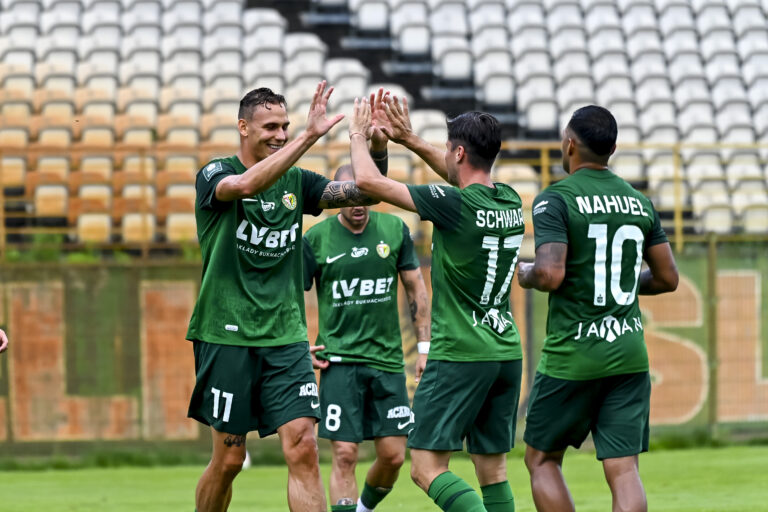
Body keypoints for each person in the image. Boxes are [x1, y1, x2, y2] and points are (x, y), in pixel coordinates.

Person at [186, 82, 388, 512]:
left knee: (304, 447)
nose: (280, 133)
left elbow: (365, 193)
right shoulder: (213, 173)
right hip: (226, 336)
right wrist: (308, 136)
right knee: (228, 460)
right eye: (271, 126)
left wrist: (372, 146)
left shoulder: (299, 182)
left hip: (286, 338)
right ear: (243, 127)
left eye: (286, 126)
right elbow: (240, 187)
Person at [349, 95, 525, 512]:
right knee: (493, 471)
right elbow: (458, 174)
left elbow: (369, 184)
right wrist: (409, 138)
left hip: (460, 352)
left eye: (449, 148)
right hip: (505, 351)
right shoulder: (511, 201)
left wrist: (358, 135)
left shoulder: (454, 205)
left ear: (459, 151)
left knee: (425, 466)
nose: (444, 153)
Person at [516, 105, 679, 512]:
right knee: (624, 469)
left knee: (541, 458)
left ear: (569, 144)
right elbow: (667, 278)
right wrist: (624, 283)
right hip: (628, 354)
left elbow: (551, 274)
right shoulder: (640, 202)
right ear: (614, 148)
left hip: (573, 357)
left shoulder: (555, 199)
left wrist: (525, 272)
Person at [304, 158, 431, 512]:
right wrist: (302, 344)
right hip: (339, 362)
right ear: (336, 197)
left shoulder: (394, 230)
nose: (358, 205)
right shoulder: (315, 238)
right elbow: (290, 295)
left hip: (388, 361)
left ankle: (361, 508)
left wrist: (424, 347)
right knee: (344, 453)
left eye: (365, 197)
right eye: (350, 197)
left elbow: (415, 289)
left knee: (392, 456)